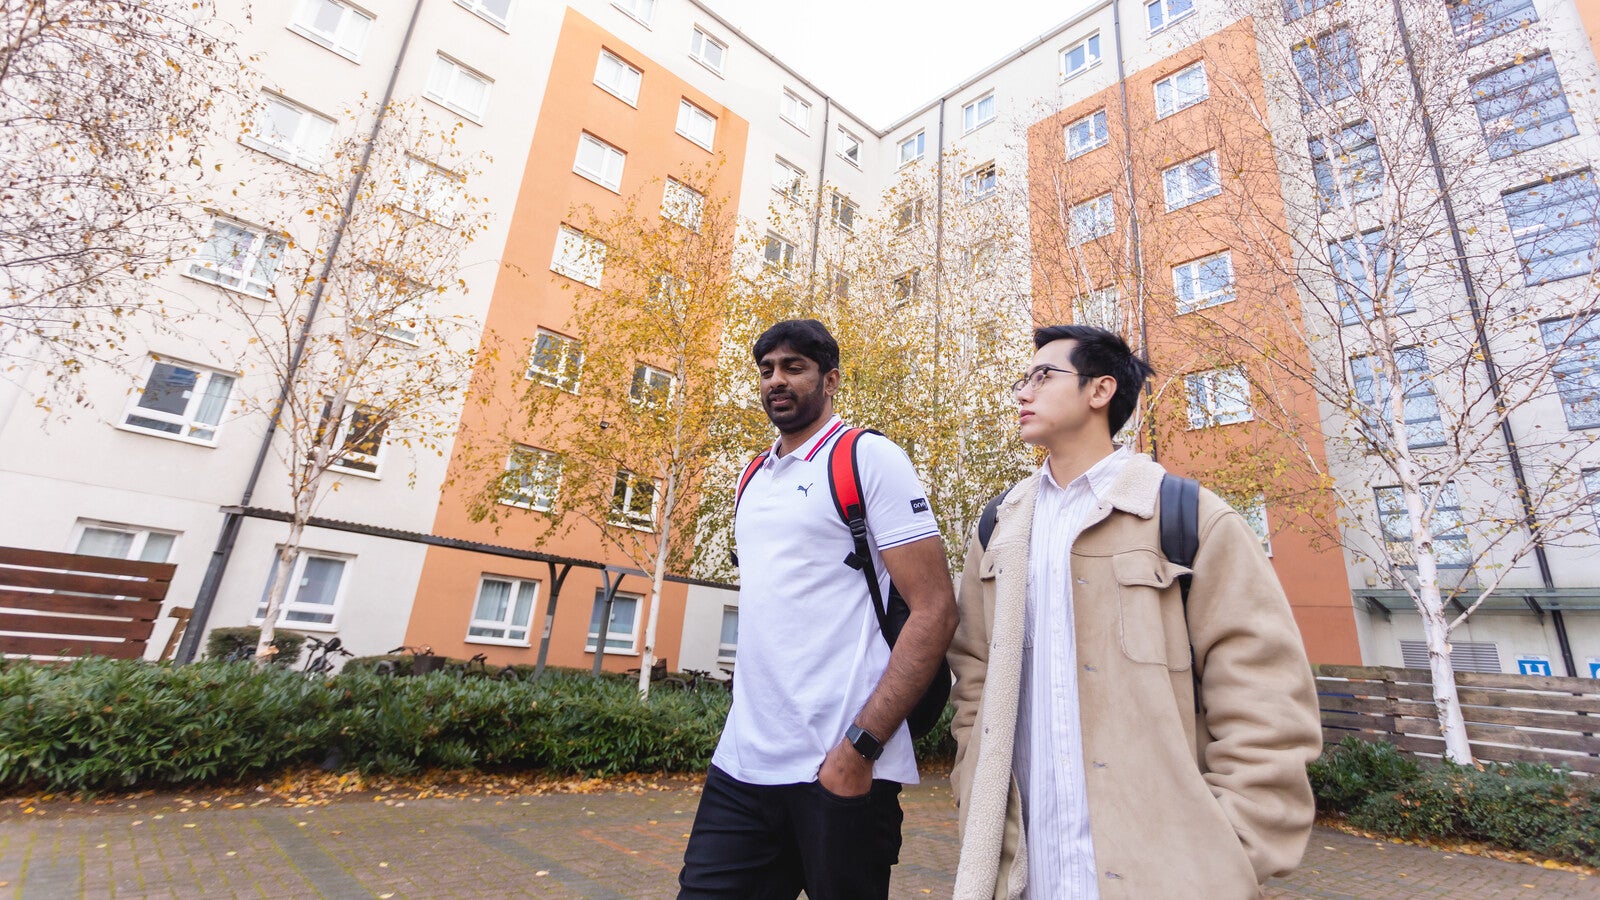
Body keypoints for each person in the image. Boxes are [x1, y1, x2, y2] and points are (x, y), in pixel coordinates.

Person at [948, 324, 1322, 899]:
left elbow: (1264, 692)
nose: (1023, 392)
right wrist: (972, 780)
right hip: (1022, 870)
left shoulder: (1189, 516)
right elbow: (973, 672)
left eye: (1042, 376)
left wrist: (1233, 846)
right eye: (1024, 379)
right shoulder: (999, 527)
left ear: (1100, 391)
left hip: (1162, 873)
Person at [678, 318, 958, 900]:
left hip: (841, 766)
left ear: (830, 380)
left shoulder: (867, 458)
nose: (776, 380)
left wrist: (860, 748)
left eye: (794, 367)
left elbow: (935, 609)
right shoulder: (751, 477)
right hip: (742, 766)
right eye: (766, 370)